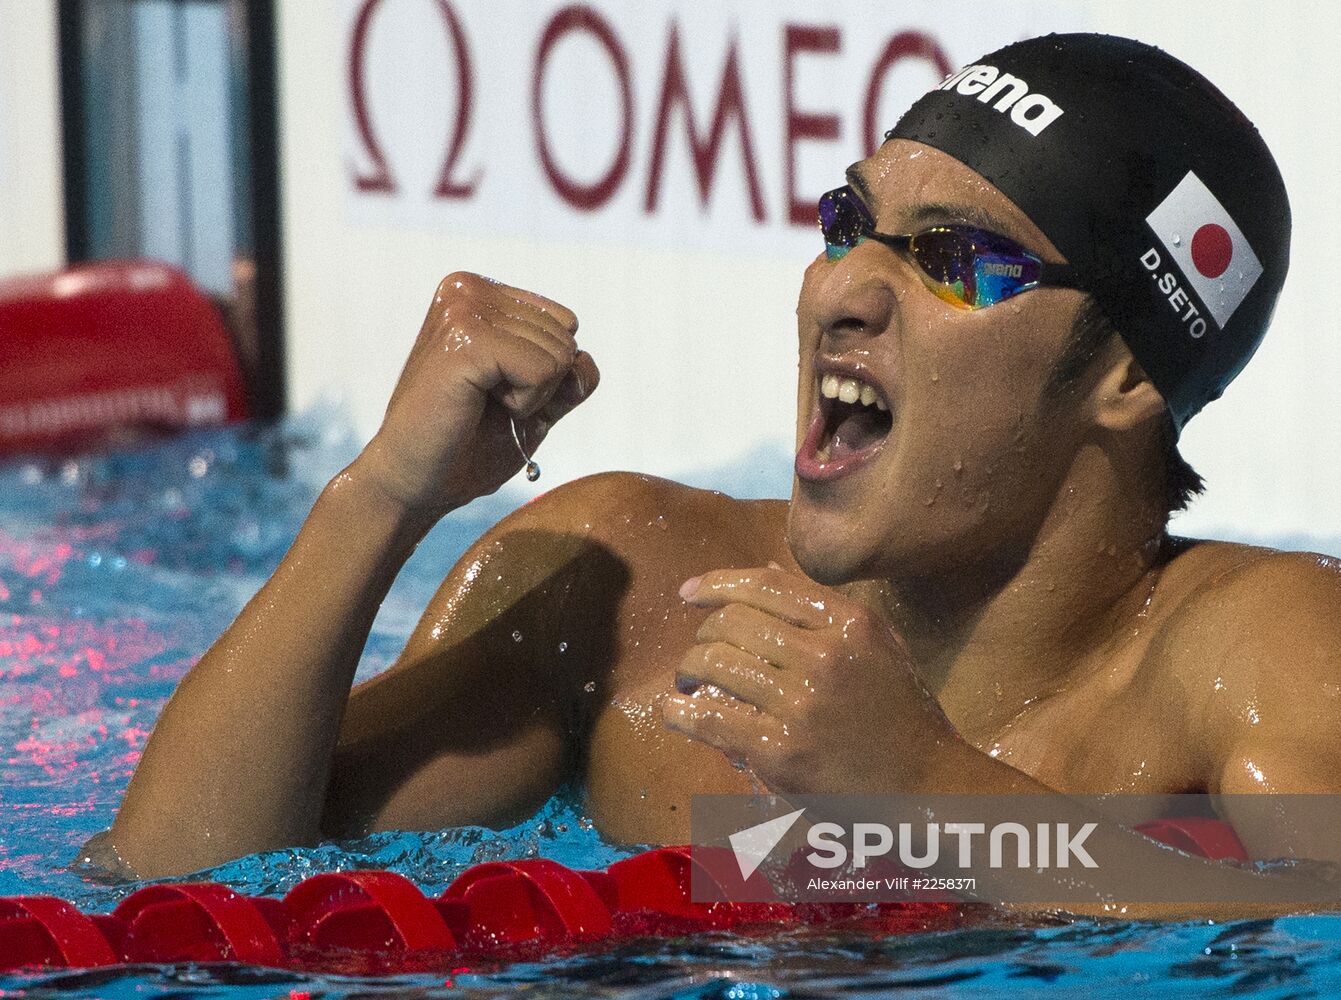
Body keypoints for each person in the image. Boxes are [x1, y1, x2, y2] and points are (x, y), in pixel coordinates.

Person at [83, 33, 1341, 913]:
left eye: (954, 257)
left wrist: (919, 792)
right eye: (848, 226)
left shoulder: (1252, 647)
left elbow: (1314, 904)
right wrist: (375, 501)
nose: (843, 289)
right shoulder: (630, 594)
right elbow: (180, 891)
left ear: (1126, 370)